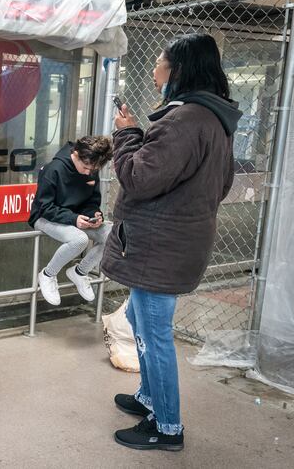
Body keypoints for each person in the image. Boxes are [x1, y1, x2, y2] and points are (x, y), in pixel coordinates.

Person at [102, 33, 239, 451]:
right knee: (144, 326)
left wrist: (126, 135)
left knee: (154, 335)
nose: (155, 70)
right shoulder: (210, 119)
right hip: (171, 244)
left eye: (160, 62)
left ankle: (168, 427)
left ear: (177, 70)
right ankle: (149, 398)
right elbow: (219, 182)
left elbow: (139, 178)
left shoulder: (185, 120)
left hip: (159, 248)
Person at [28, 136, 114, 305]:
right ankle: (47, 275)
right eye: (86, 167)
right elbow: (44, 207)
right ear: (76, 154)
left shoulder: (91, 168)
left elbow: (92, 201)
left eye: (93, 169)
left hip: (75, 218)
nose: (89, 172)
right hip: (45, 216)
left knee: (113, 235)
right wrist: (73, 219)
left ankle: (80, 272)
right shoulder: (53, 169)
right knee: (79, 239)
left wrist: (95, 215)